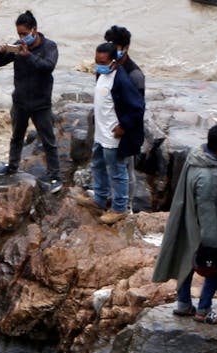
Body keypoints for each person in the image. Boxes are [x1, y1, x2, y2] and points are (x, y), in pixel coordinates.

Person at [152, 124, 217, 325]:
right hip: (207, 230)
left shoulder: (196, 157)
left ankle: (183, 303)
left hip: (188, 222)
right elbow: (207, 211)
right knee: (213, 267)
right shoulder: (209, 176)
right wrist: (213, 243)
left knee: (186, 258)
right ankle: (204, 309)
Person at [0, 11, 61, 193]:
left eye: (25, 34)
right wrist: (0, 52)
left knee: (49, 140)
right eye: (19, 34)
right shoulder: (18, 46)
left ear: (34, 30)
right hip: (21, 101)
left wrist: (28, 56)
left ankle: (55, 176)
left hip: (41, 103)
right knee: (16, 137)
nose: (22, 37)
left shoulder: (49, 46)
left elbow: (48, 67)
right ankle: (12, 165)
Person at [90, 43, 145, 224]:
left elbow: (138, 107)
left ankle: (119, 208)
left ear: (114, 61)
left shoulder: (121, 80)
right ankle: (99, 198)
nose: (99, 65)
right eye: (97, 61)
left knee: (117, 171)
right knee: (97, 165)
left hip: (113, 136)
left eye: (103, 62)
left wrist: (124, 126)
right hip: (100, 132)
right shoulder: (101, 73)